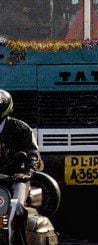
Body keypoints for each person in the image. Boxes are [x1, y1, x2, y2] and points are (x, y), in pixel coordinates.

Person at [0, 90, 39, 245]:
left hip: (15, 179)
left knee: (17, 210)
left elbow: (32, 153)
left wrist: (27, 172)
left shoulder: (21, 129)